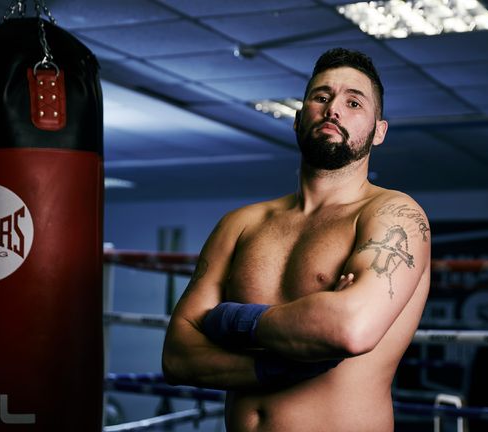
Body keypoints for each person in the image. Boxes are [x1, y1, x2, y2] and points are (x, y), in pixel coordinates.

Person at [162, 48, 431, 432]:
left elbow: (349, 329)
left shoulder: (393, 215)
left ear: (379, 131)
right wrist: (278, 364)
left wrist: (227, 321)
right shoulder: (241, 224)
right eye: (321, 97)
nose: (333, 109)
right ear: (299, 117)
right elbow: (177, 356)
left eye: (354, 102)